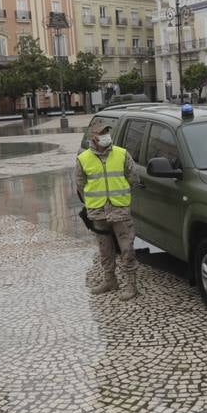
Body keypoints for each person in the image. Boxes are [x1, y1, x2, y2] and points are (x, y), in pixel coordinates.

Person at [75, 119, 139, 299]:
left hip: (119, 210)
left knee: (127, 249)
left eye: (107, 132)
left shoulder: (121, 154)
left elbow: (133, 178)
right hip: (98, 212)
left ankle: (131, 286)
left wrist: (122, 194)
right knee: (105, 250)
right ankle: (110, 280)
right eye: (101, 133)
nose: (105, 136)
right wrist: (92, 202)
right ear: (93, 136)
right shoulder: (83, 159)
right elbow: (80, 185)